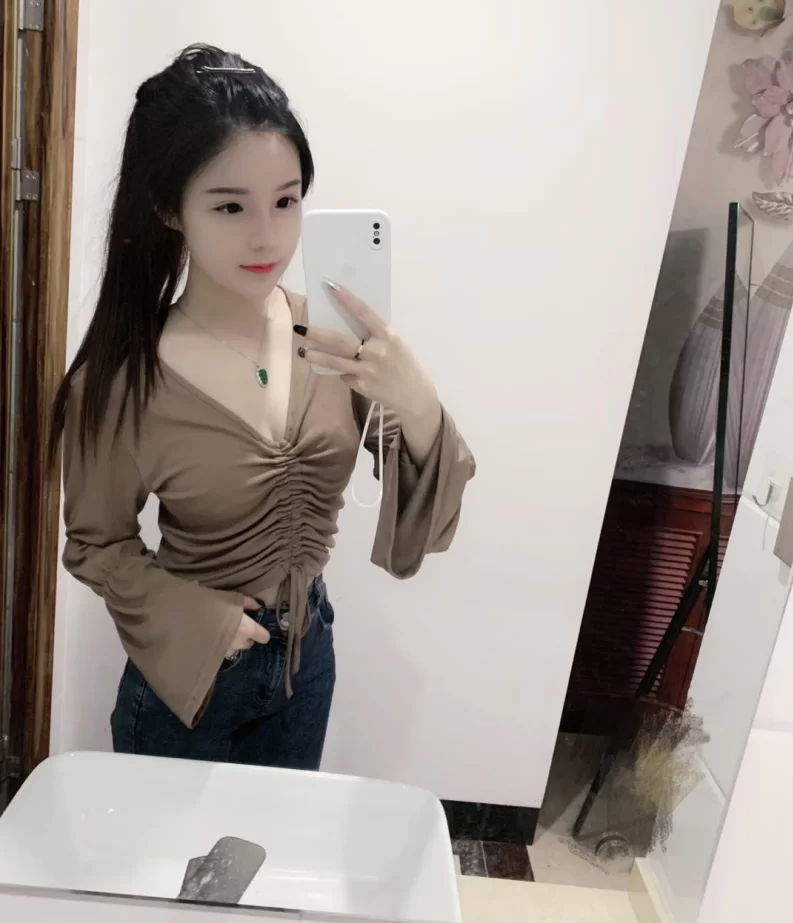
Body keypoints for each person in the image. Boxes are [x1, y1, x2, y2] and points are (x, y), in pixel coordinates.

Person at [49, 43, 475, 771]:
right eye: (230, 206)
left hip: (307, 665)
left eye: (286, 200)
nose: (267, 236)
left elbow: (425, 505)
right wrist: (201, 622)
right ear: (169, 208)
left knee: (281, 841)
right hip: (191, 682)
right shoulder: (124, 380)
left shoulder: (337, 343)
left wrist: (418, 402)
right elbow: (96, 545)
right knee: (167, 848)